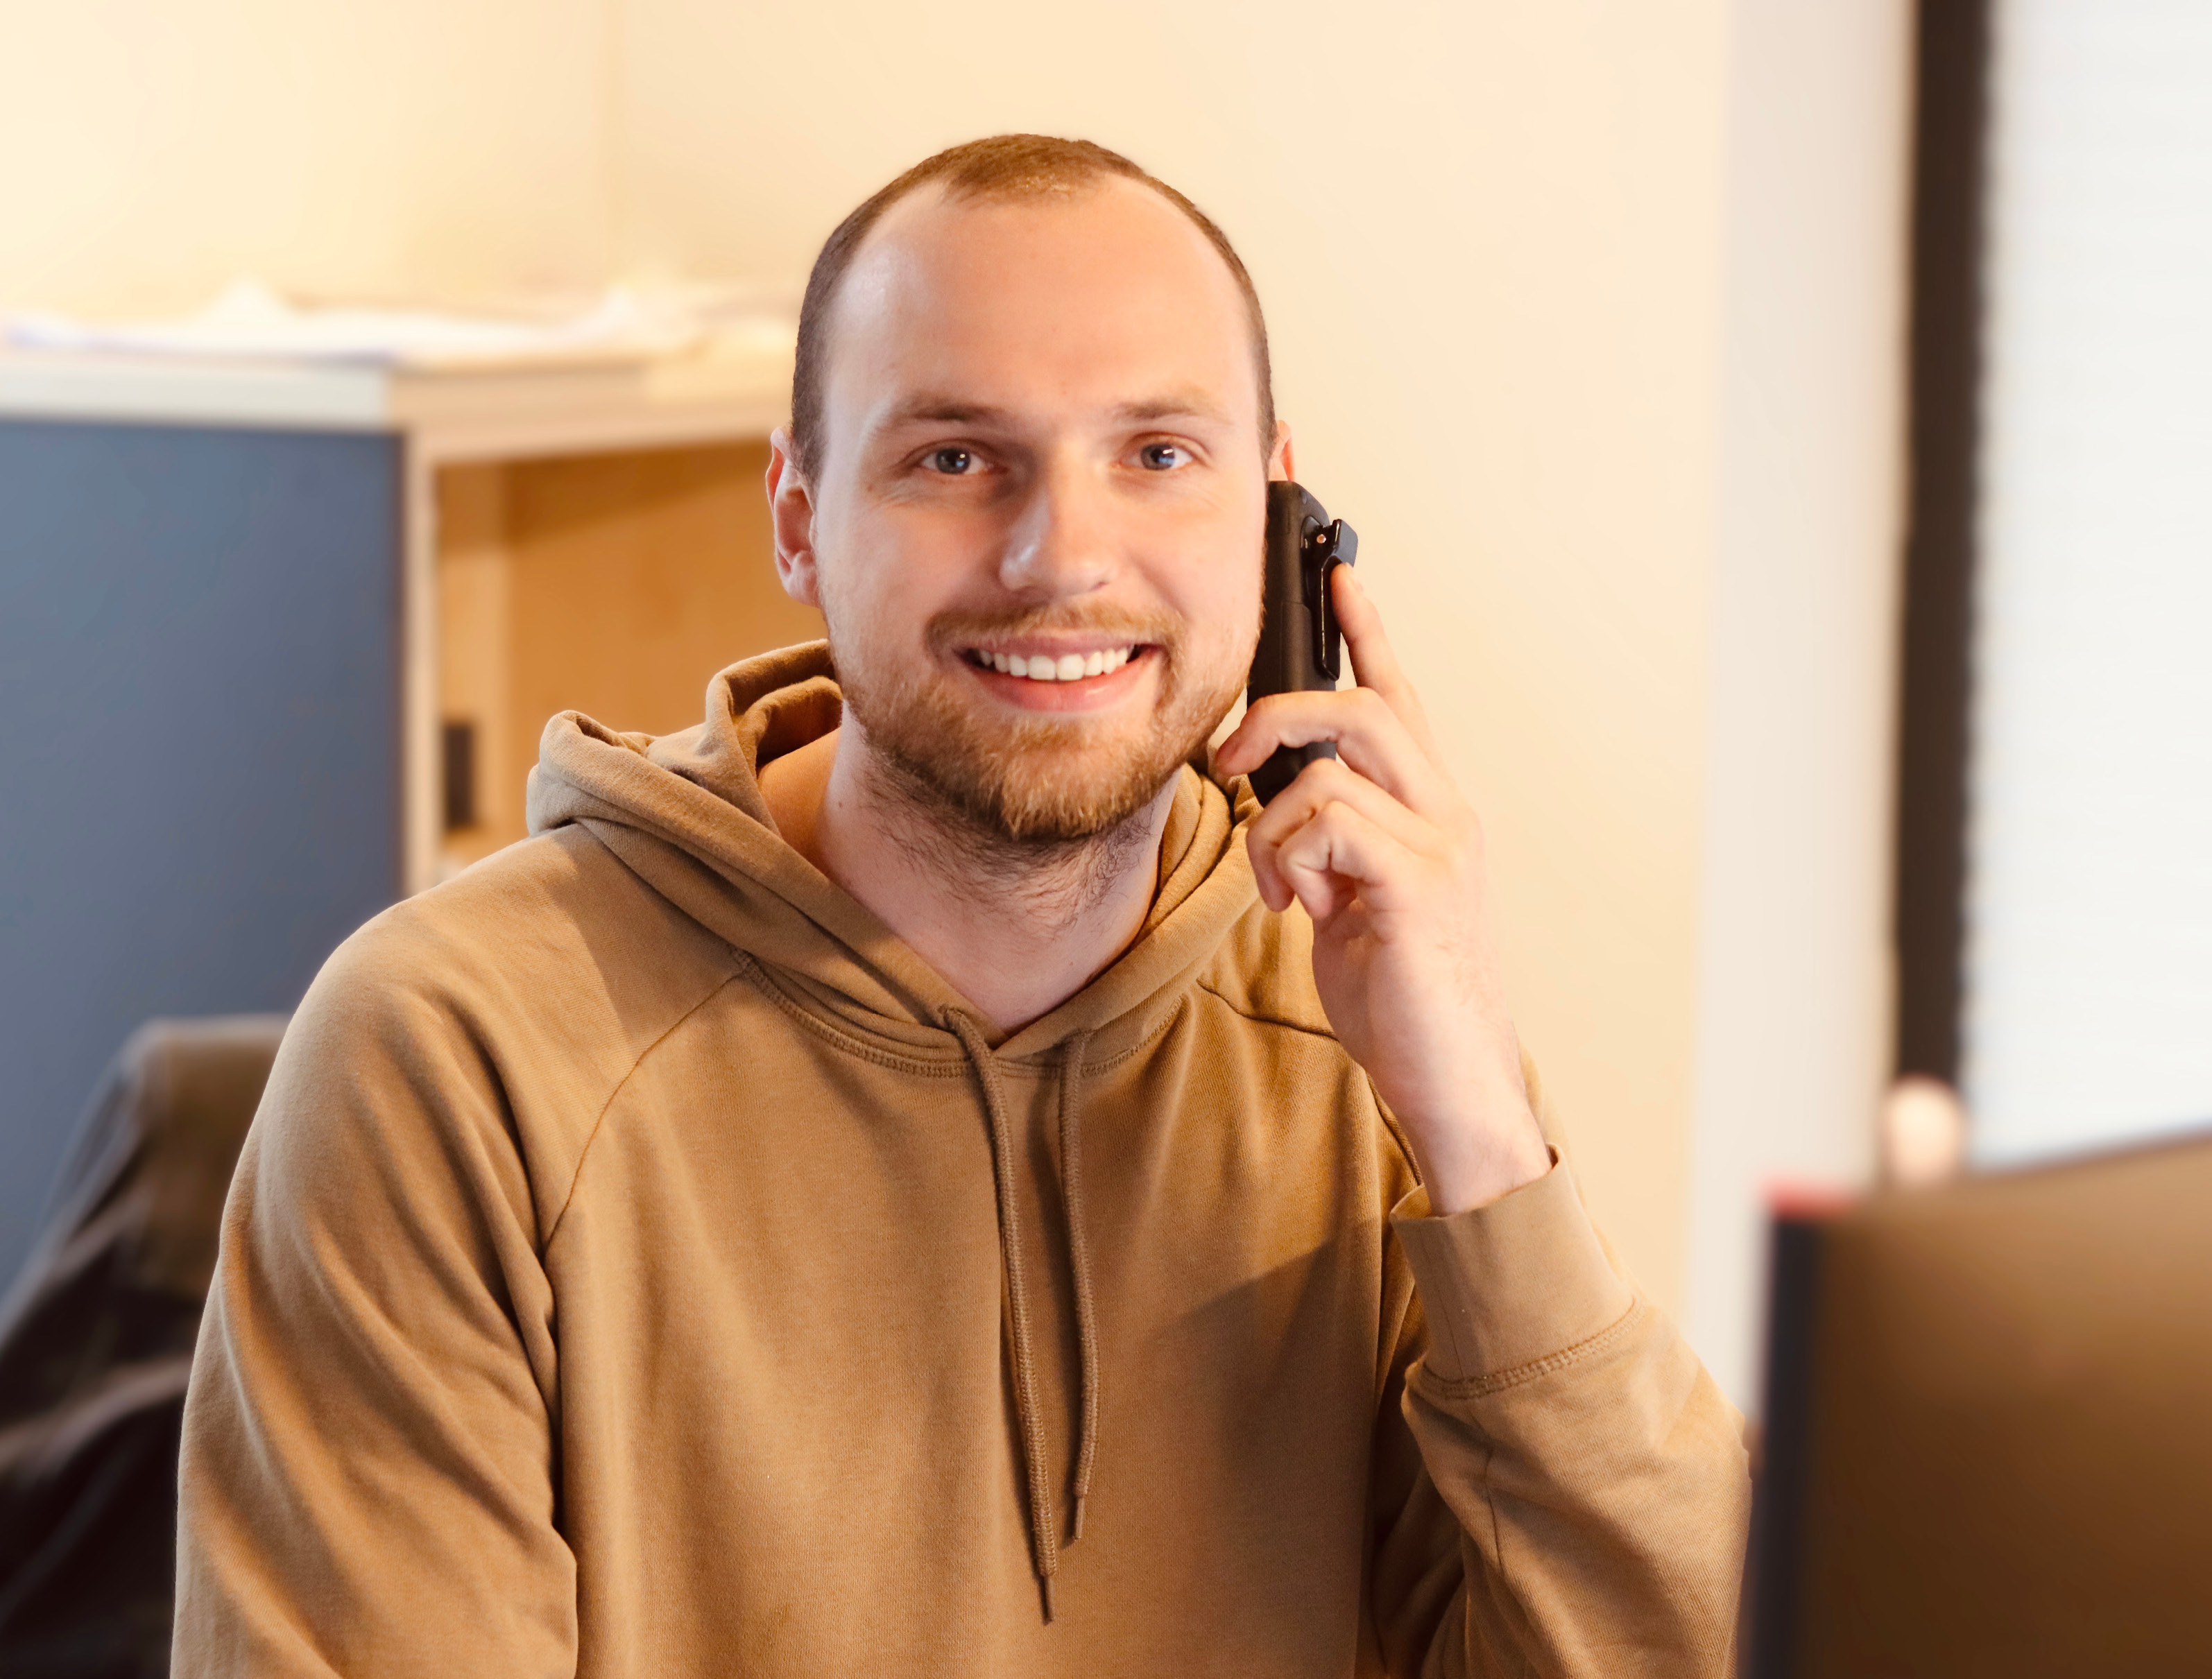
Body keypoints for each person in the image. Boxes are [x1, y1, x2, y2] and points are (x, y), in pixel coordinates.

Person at [175, 135, 1749, 1676]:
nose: (1061, 557)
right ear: (797, 516)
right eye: (952, 457)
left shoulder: (1371, 1032)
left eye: (1156, 454)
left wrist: (1479, 1131)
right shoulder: (453, 1053)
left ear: (1274, 513)